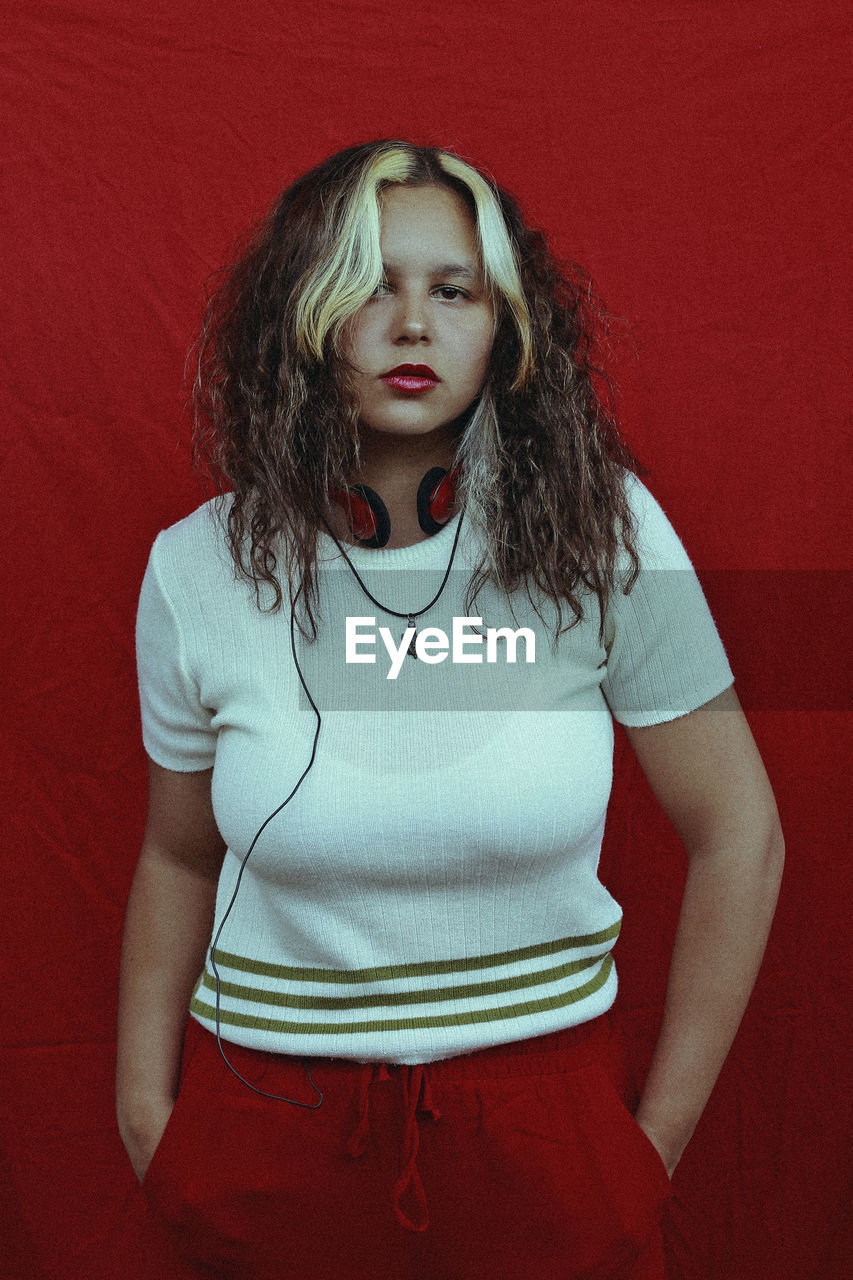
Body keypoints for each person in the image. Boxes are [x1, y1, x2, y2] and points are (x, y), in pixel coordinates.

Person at [116, 140, 784, 1280]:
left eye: (452, 288)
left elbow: (742, 833)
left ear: (504, 328)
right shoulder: (194, 571)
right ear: (302, 315)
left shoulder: (603, 532)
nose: (412, 323)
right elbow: (179, 855)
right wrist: (148, 1116)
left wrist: (646, 1147)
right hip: (266, 1136)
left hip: (539, 1137)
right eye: (372, 281)